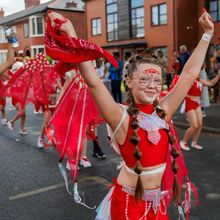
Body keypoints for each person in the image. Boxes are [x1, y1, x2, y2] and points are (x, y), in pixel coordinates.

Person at [48, 10, 214, 219]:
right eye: (144, 79)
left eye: (156, 80)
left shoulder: (164, 110)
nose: (152, 86)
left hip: (158, 203)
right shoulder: (120, 117)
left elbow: (189, 73)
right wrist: (71, 32)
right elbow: (93, 81)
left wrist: (207, 34)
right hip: (127, 206)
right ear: (128, 82)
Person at [179, 70, 220, 151]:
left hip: (197, 104)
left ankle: (194, 142)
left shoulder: (200, 81)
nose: (199, 74)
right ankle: (183, 142)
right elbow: (181, 92)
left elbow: (211, 83)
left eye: (199, 72)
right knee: (194, 125)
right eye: (197, 72)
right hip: (189, 103)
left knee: (200, 124)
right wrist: (191, 97)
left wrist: (218, 75)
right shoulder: (190, 81)